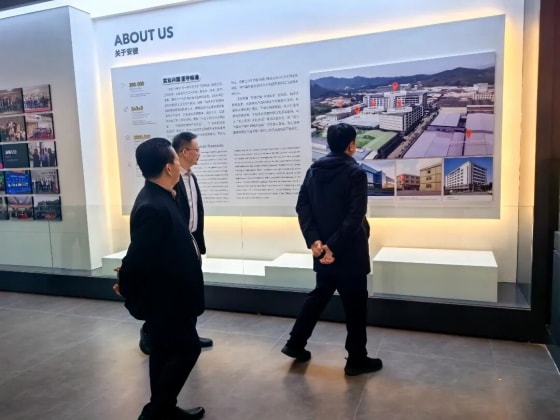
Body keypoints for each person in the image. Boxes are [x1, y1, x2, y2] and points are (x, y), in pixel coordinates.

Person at [280, 123, 383, 376]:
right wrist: (331, 247)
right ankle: (356, 359)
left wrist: (315, 241)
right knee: (355, 307)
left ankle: (295, 343)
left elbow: (302, 207)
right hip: (349, 251)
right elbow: (355, 216)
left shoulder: (314, 170)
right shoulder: (355, 172)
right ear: (351, 145)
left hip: (322, 251)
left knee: (318, 298)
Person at [117, 137, 205, 420]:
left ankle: (164, 408)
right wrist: (126, 284)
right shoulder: (152, 206)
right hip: (167, 299)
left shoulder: (164, 196)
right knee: (188, 349)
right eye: (177, 159)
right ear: (169, 167)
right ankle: (155, 412)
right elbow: (137, 256)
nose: (180, 164)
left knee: (163, 351)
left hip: (174, 294)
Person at [138, 131, 213, 355]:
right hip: (175, 244)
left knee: (190, 290)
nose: (199, 153)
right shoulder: (169, 182)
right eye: (196, 149)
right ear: (183, 152)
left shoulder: (191, 177)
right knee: (169, 293)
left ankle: (190, 334)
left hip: (191, 241)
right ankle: (150, 334)